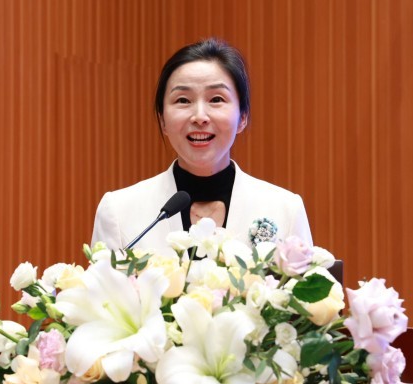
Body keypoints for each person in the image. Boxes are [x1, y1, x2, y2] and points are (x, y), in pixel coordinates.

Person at [91, 38, 313, 252]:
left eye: (216, 99)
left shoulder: (285, 209)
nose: (199, 117)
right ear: (162, 120)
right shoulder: (119, 211)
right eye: (183, 100)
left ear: (243, 117)